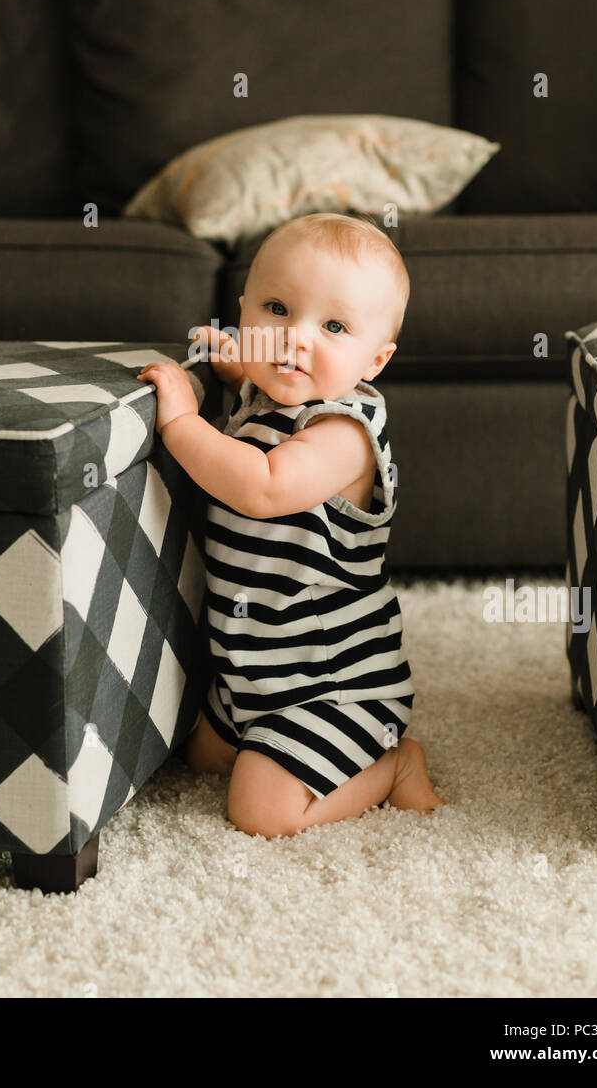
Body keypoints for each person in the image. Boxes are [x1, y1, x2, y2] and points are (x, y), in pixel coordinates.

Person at [136, 211, 445, 837]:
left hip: (332, 685)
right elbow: (262, 382)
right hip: (250, 670)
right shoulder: (274, 390)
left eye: (333, 326)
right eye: (276, 309)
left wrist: (181, 422)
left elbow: (263, 485)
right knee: (196, 758)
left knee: (260, 812)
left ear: (375, 359)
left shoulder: (343, 435)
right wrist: (232, 369)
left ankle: (392, 765)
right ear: (244, 308)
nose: (293, 340)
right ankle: (255, 732)